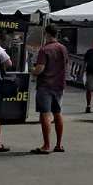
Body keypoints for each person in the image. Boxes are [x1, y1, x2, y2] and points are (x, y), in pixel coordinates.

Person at [29, 25, 69, 154]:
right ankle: (59, 144)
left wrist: (32, 71)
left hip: (45, 85)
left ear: (46, 34)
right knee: (57, 113)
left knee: (45, 114)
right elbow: (66, 65)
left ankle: (46, 145)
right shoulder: (63, 48)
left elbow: (40, 68)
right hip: (59, 85)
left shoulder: (44, 49)